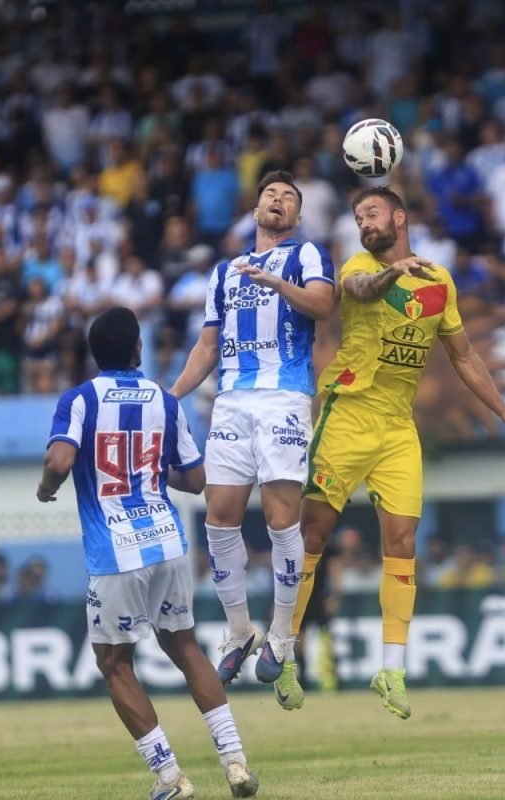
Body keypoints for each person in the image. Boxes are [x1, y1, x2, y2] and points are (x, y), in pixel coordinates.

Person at [284, 186, 505, 719]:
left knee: (402, 541)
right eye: (357, 217)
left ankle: (391, 668)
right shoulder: (359, 264)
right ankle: (285, 651)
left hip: (398, 428)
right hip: (347, 414)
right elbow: (363, 288)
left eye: (371, 213)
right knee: (313, 533)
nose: (363, 223)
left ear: (399, 217)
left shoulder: (439, 281)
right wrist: (395, 274)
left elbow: (465, 358)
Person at [37, 308, 259, 800]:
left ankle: (169, 776)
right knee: (185, 647)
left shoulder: (79, 400)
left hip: (116, 555)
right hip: (168, 541)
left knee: (115, 664)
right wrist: (154, 475)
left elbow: (60, 459)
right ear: (137, 348)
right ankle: (236, 761)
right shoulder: (165, 400)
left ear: (96, 355)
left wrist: (47, 487)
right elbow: (196, 480)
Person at [171, 171, 336, 691]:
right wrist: (170, 398)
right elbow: (206, 346)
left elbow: (323, 306)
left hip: (284, 398)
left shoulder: (308, 255)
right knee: (220, 519)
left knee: (282, 520)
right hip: (232, 401)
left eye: (288, 197)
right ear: (256, 208)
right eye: (270, 194)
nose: (278, 201)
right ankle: (239, 631)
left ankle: (283, 636)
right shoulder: (225, 271)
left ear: (296, 215)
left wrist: (277, 284)